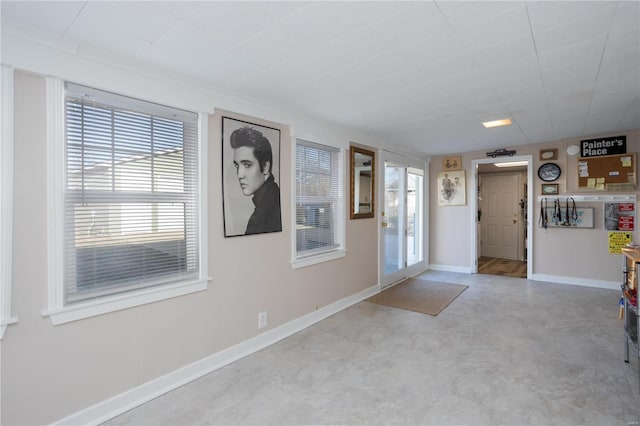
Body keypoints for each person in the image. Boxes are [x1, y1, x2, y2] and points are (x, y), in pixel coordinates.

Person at [230, 126, 282, 235]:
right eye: (237, 166)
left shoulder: (262, 217)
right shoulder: (274, 198)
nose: (239, 175)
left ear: (266, 167)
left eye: (247, 165)